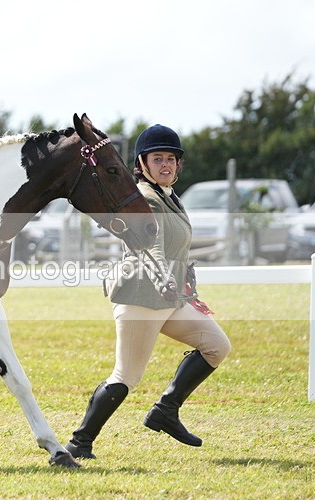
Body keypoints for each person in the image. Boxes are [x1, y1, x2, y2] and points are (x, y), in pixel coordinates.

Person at [65, 124, 231, 460]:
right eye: (158, 159)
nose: (167, 165)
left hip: (169, 299)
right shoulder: (146, 200)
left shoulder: (169, 197)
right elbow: (150, 246)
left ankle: (165, 411)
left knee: (216, 346)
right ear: (142, 164)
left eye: (171, 159)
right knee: (126, 376)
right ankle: (79, 442)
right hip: (143, 294)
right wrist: (163, 279)